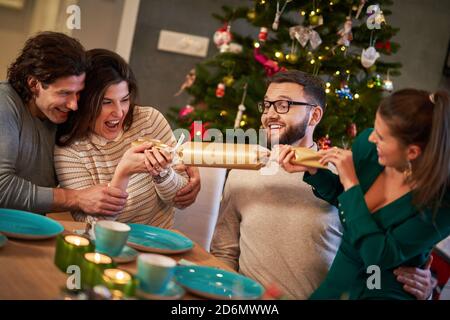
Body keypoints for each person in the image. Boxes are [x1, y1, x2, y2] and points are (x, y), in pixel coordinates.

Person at [210, 71, 432, 299]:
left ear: (314, 116)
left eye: (283, 105)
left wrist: (419, 282)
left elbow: (375, 250)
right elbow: (224, 250)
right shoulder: (242, 171)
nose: (270, 114)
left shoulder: (344, 175)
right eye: (267, 105)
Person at [279, 88, 450, 299]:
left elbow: (377, 256)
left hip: (382, 289)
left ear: (412, 152)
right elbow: (348, 203)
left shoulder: (441, 204)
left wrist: (351, 181)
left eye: (381, 136)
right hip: (341, 277)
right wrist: (315, 171)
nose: (371, 138)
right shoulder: (369, 150)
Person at [54, 49, 188, 227]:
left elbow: (179, 199)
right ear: (85, 102)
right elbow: (92, 226)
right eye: (106, 102)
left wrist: (162, 173)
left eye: (124, 100)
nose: (119, 112)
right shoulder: (69, 150)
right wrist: (123, 173)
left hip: (158, 241)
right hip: (102, 247)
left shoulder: (149, 120)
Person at [0, 32, 129, 215]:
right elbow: (1, 187)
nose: (74, 105)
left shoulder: (61, 114)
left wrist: (178, 165)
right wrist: (76, 198)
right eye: (64, 93)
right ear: (34, 84)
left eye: (78, 93)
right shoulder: (4, 103)